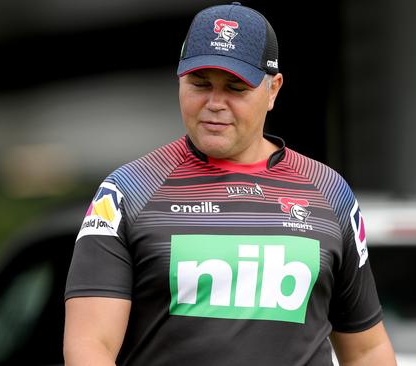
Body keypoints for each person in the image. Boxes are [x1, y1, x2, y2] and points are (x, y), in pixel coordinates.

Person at [64, 2, 397, 365]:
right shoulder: (128, 191)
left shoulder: (329, 193)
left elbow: (367, 350)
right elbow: (89, 346)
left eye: (236, 88)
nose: (215, 103)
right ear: (179, 80)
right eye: (200, 84)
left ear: (273, 90)